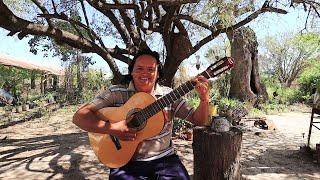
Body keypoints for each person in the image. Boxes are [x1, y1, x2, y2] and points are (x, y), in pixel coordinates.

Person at [73, 49, 210, 179]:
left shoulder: (168, 96)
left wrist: (204, 99)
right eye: (139, 68)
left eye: (151, 69)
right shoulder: (115, 93)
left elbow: (199, 120)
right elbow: (79, 116)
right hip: (125, 161)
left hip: (165, 160)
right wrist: (112, 129)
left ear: (157, 74)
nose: (145, 73)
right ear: (131, 71)